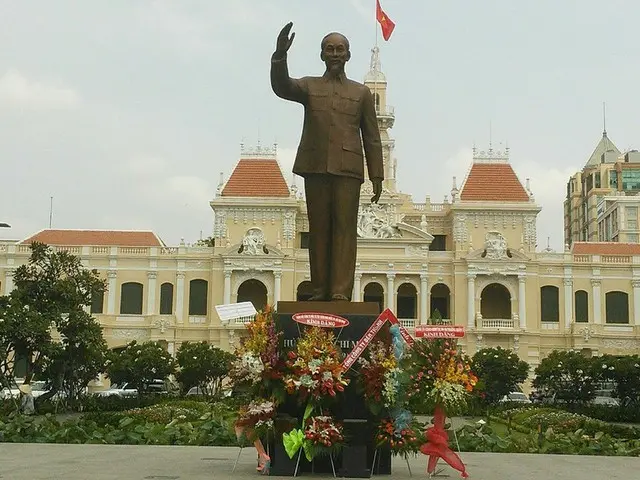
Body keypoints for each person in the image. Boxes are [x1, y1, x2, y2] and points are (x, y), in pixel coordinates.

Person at [271, 22, 384, 302]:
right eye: (329, 49)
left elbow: (372, 137)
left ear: (348, 55)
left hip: (348, 169)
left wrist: (377, 175)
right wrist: (279, 56)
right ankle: (320, 288)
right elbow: (282, 87)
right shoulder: (310, 86)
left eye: (340, 49)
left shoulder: (361, 93)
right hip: (315, 165)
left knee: (345, 230)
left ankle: (340, 292)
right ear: (322, 54)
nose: (335, 54)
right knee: (319, 229)